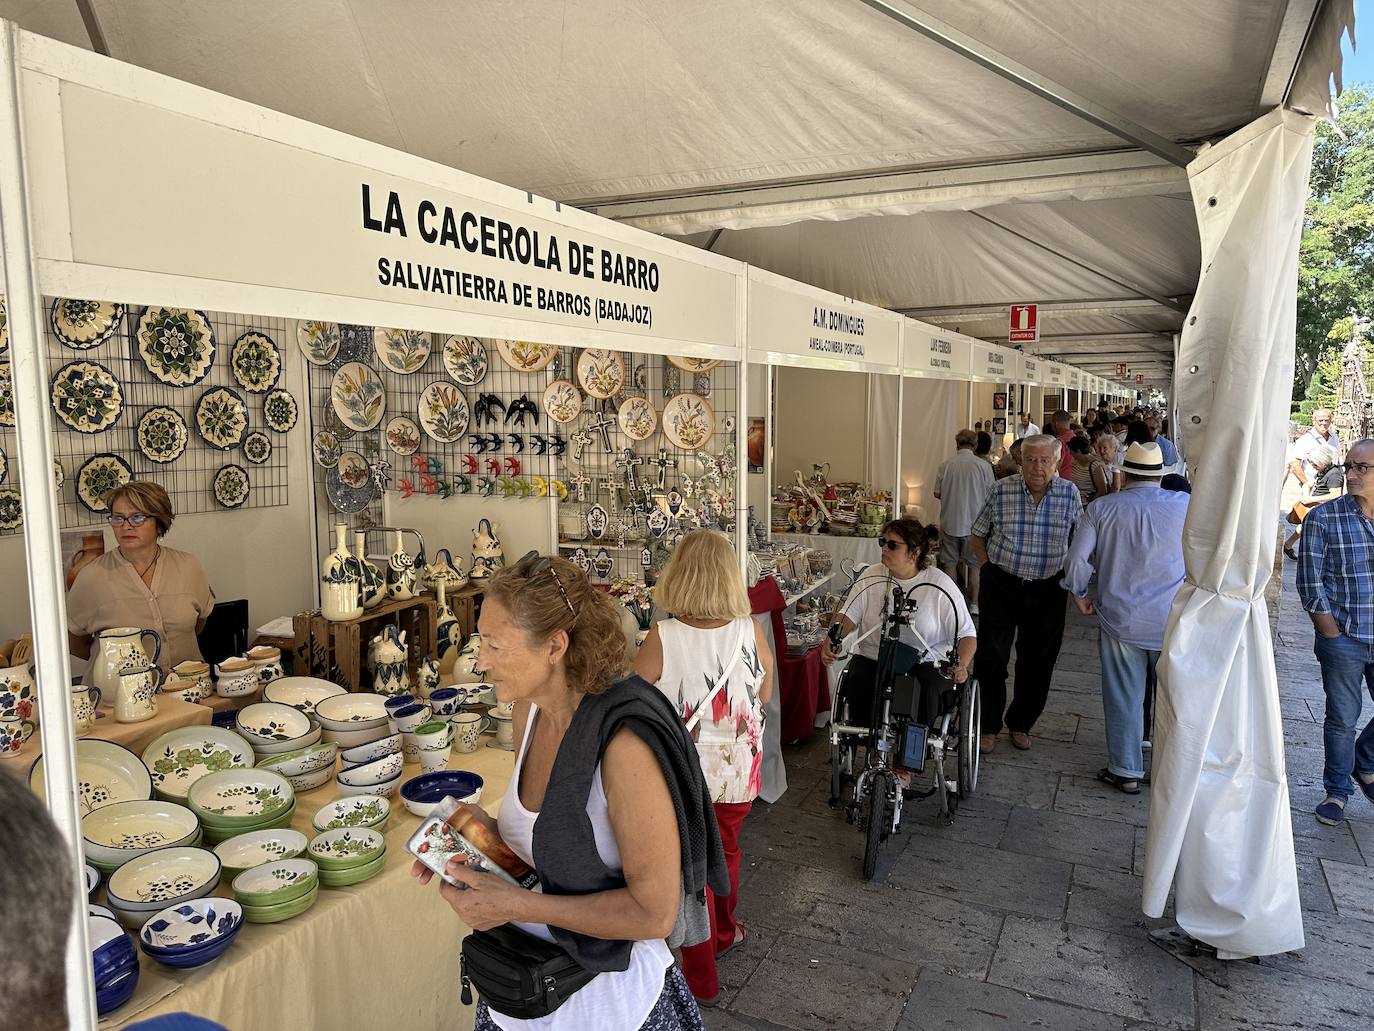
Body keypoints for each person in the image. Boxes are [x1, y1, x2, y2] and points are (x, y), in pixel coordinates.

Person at [412, 553, 726, 1029]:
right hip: (524, 995)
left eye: (496, 646)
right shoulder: (528, 713)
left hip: (609, 1008)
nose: (480, 661)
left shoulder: (622, 747)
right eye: (481, 642)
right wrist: (477, 837)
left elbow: (655, 913)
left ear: (555, 646)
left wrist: (515, 905)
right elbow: (544, 844)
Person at [634, 531, 772, 1006]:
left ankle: (699, 972)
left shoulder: (664, 636)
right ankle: (725, 932)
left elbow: (635, 701)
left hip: (682, 776)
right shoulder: (749, 629)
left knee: (689, 867)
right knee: (726, 852)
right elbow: (765, 692)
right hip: (737, 772)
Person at [1063, 442, 1188, 793]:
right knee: (1171, 700)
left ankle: (1126, 769)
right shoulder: (1185, 506)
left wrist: (1078, 593)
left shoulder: (1102, 508)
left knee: (1123, 695)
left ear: (1126, 472)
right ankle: (1169, 770)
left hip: (1121, 618)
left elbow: (1076, 562)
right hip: (1172, 619)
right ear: (1161, 474)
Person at [970, 434, 1083, 753]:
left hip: (1048, 588)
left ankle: (1020, 723)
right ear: (1020, 460)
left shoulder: (1069, 493)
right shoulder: (1001, 489)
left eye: (1045, 460)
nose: (1037, 466)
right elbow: (977, 535)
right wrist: (987, 569)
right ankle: (988, 725)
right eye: (1031, 459)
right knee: (991, 657)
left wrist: (1075, 582)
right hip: (1002, 583)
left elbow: (1079, 540)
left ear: (1057, 462)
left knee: (1038, 661)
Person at [822, 518, 976, 745]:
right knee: (858, 678)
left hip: (927, 660)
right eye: (883, 542)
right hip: (877, 655)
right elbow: (848, 615)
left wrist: (961, 664)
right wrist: (834, 636)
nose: (884, 548)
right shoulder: (871, 575)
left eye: (893, 545)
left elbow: (967, 634)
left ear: (914, 553)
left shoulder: (940, 584)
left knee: (925, 687)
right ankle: (867, 745)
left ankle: (910, 754)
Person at [1296, 439, 1374, 827]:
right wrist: (1328, 630)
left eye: (1363, 468)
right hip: (1344, 637)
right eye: (1349, 467)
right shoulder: (1324, 518)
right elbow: (1310, 581)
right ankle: (1337, 792)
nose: (1353, 474)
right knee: (1342, 718)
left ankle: (1365, 761)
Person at [66, 482, 214, 675]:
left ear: (159, 522)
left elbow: (198, 623)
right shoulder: (92, 576)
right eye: (118, 518)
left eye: (137, 517)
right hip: (119, 696)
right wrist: (112, 663)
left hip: (186, 690)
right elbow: (74, 640)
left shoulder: (189, 566)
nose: (126, 526)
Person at [933, 430, 995, 612]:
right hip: (975, 525)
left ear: (957, 444)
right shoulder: (983, 466)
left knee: (950, 565)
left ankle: (954, 602)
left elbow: (937, 493)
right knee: (975, 567)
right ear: (975, 445)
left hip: (950, 521)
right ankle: (975, 604)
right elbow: (992, 493)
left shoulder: (945, 466)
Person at [1283, 444, 1344, 560]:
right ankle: (1288, 545)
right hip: (1316, 508)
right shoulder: (1323, 471)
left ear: (1324, 461)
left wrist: (1311, 499)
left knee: (1310, 531)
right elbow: (1308, 483)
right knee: (1304, 528)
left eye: (1315, 464)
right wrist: (1306, 495)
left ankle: (1297, 549)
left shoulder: (1334, 474)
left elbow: (1336, 495)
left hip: (1325, 509)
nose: (1312, 466)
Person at [1289, 408, 1343, 487]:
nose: (1324, 423)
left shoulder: (1334, 437)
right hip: (1314, 485)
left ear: (1331, 421)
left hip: (1332, 485)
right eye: (1320, 420)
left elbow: (1337, 459)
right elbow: (1295, 465)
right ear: (1314, 421)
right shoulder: (1305, 440)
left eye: (1326, 420)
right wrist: (1306, 484)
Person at [1065, 435, 1112, 503]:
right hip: (1073, 502)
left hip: (1086, 506)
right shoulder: (1075, 462)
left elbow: (1102, 491)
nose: (1070, 453)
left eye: (1071, 451)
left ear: (1078, 451)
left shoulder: (1095, 466)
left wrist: (1089, 505)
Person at [1048, 410, 1074, 479]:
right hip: (1075, 478)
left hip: (1061, 479)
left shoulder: (1059, 442)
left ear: (1056, 423)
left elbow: (1056, 465)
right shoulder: (1075, 437)